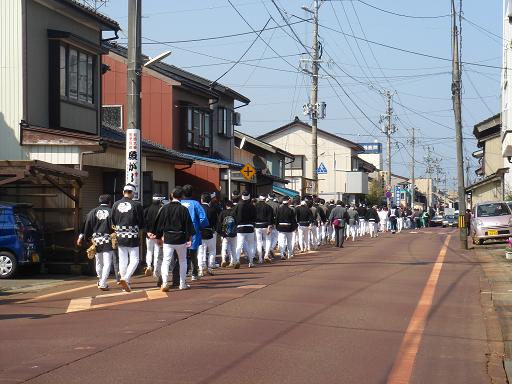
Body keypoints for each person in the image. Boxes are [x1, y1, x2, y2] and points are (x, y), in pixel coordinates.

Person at [152, 187, 195, 292]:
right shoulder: (183, 209)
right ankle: (182, 283)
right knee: (183, 260)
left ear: (171, 195)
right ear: (182, 197)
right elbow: (188, 225)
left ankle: (165, 283)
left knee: (166, 261)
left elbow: (159, 224)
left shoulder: (165, 208)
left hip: (168, 238)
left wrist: (158, 237)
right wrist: (189, 238)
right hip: (180, 238)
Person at [111, 184, 145, 292]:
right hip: (132, 234)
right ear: (133, 193)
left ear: (123, 192)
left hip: (120, 234)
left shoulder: (115, 204)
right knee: (135, 259)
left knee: (123, 259)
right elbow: (141, 221)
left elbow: (113, 220)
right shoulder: (137, 205)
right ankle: (126, 278)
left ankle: (125, 282)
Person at [78, 194, 114, 291]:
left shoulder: (92, 212)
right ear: (110, 202)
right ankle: (103, 283)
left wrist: (81, 237)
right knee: (107, 263)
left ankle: (100, 279)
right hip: (108, 239)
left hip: (96, 240)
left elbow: (86, 225)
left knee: (99, 261)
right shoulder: (112, 212)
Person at [181, 184, 208, 281]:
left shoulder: (179, 203)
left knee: (181, 254)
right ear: (192, 193)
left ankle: (184, 273)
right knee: (193, 253)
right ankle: (194, 273)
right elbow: (203, 218)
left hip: (180, 231)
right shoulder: (195, 203)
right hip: (193, 231)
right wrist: (199, 227)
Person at [232, 191, 257, 268]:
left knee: (239, 245)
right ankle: (251, 262)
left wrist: (236, 223)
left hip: (240, 228)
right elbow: (255, 217)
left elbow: (233, 215)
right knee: (250, 245)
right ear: (249, 197)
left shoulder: (238, 206)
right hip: (250, 227)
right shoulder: (252, 206)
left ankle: (237, 260)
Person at [144, 193, 165, 278]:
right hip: (158, 235)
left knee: (149, 251)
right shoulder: (162, 209)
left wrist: (147, 232)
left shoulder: (147, 209)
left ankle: (149, 266)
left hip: (149, 235)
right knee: (157, 252)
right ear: (159, 200)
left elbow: (143, 222)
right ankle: (156, 270)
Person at [198, 193, 218, 276]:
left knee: (201, 251)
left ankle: (201, 269)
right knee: (212, 250)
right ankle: (210, 267)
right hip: (210, 232)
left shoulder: (198, 209)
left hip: (200, 232)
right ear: (210, 200)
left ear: (202, 200)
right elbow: (215, 222)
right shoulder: (212, 209)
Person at [217, 200, 237, 267]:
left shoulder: (222, 213)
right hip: (233, 233)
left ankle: (223, 260)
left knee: (224, 247)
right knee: (233, 247)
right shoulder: (234, 213)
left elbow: (219, 223)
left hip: (225, 233)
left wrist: (220, 232)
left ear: (226, 206)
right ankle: (235, 261)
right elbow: (237, 222)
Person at [254, 195, 274, 263]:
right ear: (265, 199)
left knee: (259, 242)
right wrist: (269, 226)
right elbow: (270, 218)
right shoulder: (268, 207)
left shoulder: (255, 206)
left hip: (257, 226)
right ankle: (266, 255)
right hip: (266, 225)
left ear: (259, 199)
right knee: (268, 240)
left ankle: (260, 258)